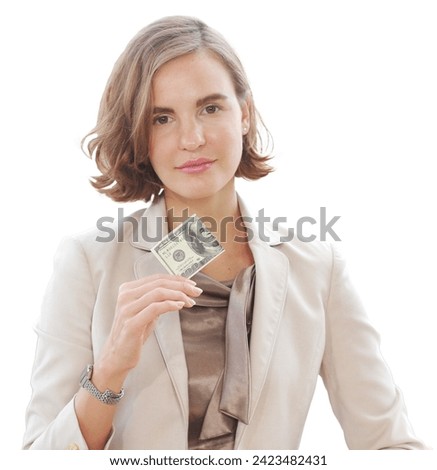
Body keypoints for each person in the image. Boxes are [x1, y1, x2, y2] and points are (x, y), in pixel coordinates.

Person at [23, 15, 426, 450]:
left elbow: (393, 449)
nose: (192, 138)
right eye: (162, 118)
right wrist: (110, 370)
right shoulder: (89, 262)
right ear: (139, 133)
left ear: (245, 114)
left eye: (210, 108)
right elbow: (39, 455)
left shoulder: (317, 268)